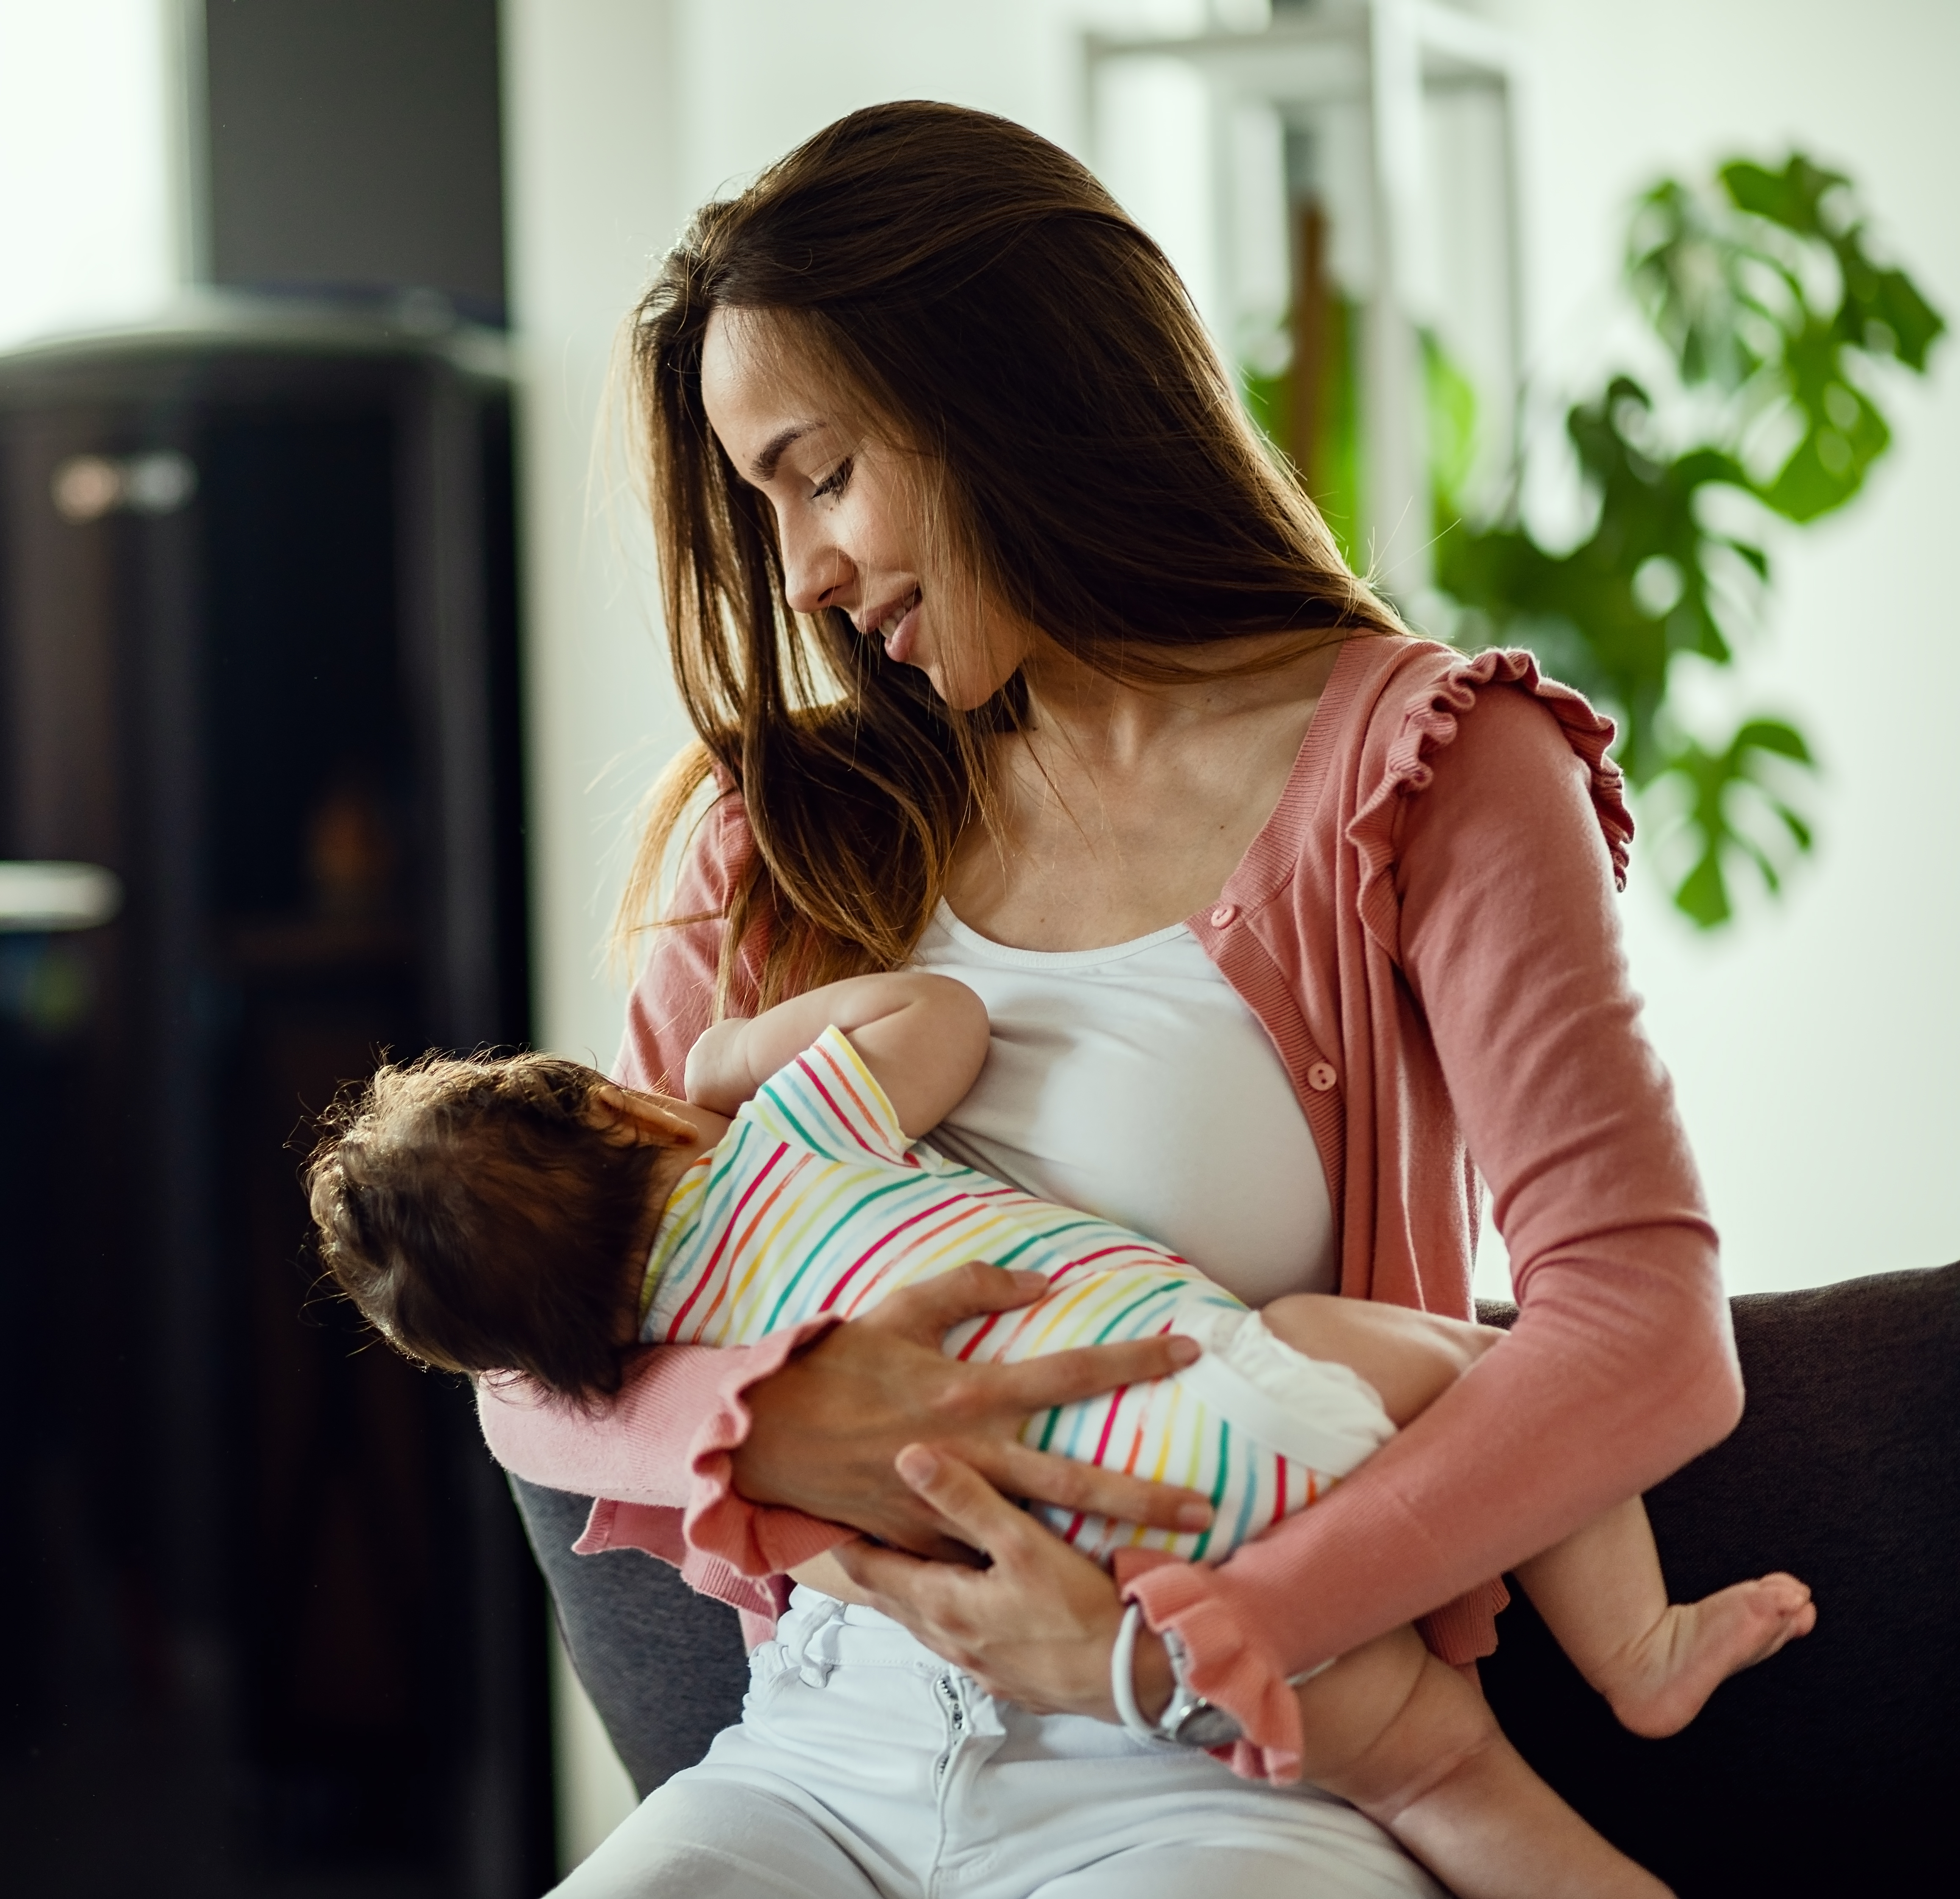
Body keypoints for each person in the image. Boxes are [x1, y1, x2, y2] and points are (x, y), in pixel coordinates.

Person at [473, 100, 1754, 1897]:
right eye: (764, 512)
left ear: (1004, 387)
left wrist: (1209, 1631)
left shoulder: (1434, 770)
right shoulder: (783, 838)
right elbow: (530, 1360)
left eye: (822, 474)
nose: (805, 577)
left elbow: (1641, 1326)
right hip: (819, 1759)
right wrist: (769, 1417)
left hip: (1224, 1771)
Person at [309, 971, 1812, 1897]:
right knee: (1479, 1376)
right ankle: (1638, 1650)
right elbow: (940, 1019)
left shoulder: (667, 1356)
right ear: (632, 1120)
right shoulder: (784, 1132)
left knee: (1435, 1775)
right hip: (1217, 1436)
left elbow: (532, 1403)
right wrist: (735, 1056)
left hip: (1049, 1572)